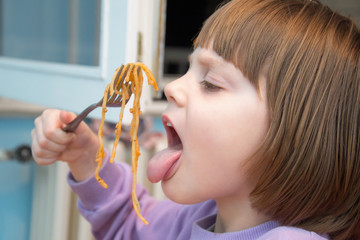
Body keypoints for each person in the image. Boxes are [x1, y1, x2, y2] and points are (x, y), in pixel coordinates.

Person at [31, 0, 360, 239]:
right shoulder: (197, 220)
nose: (171, 87)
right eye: (189, 69)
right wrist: (87, 160)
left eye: (211, 83)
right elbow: (128, 224)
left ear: (293, 136)